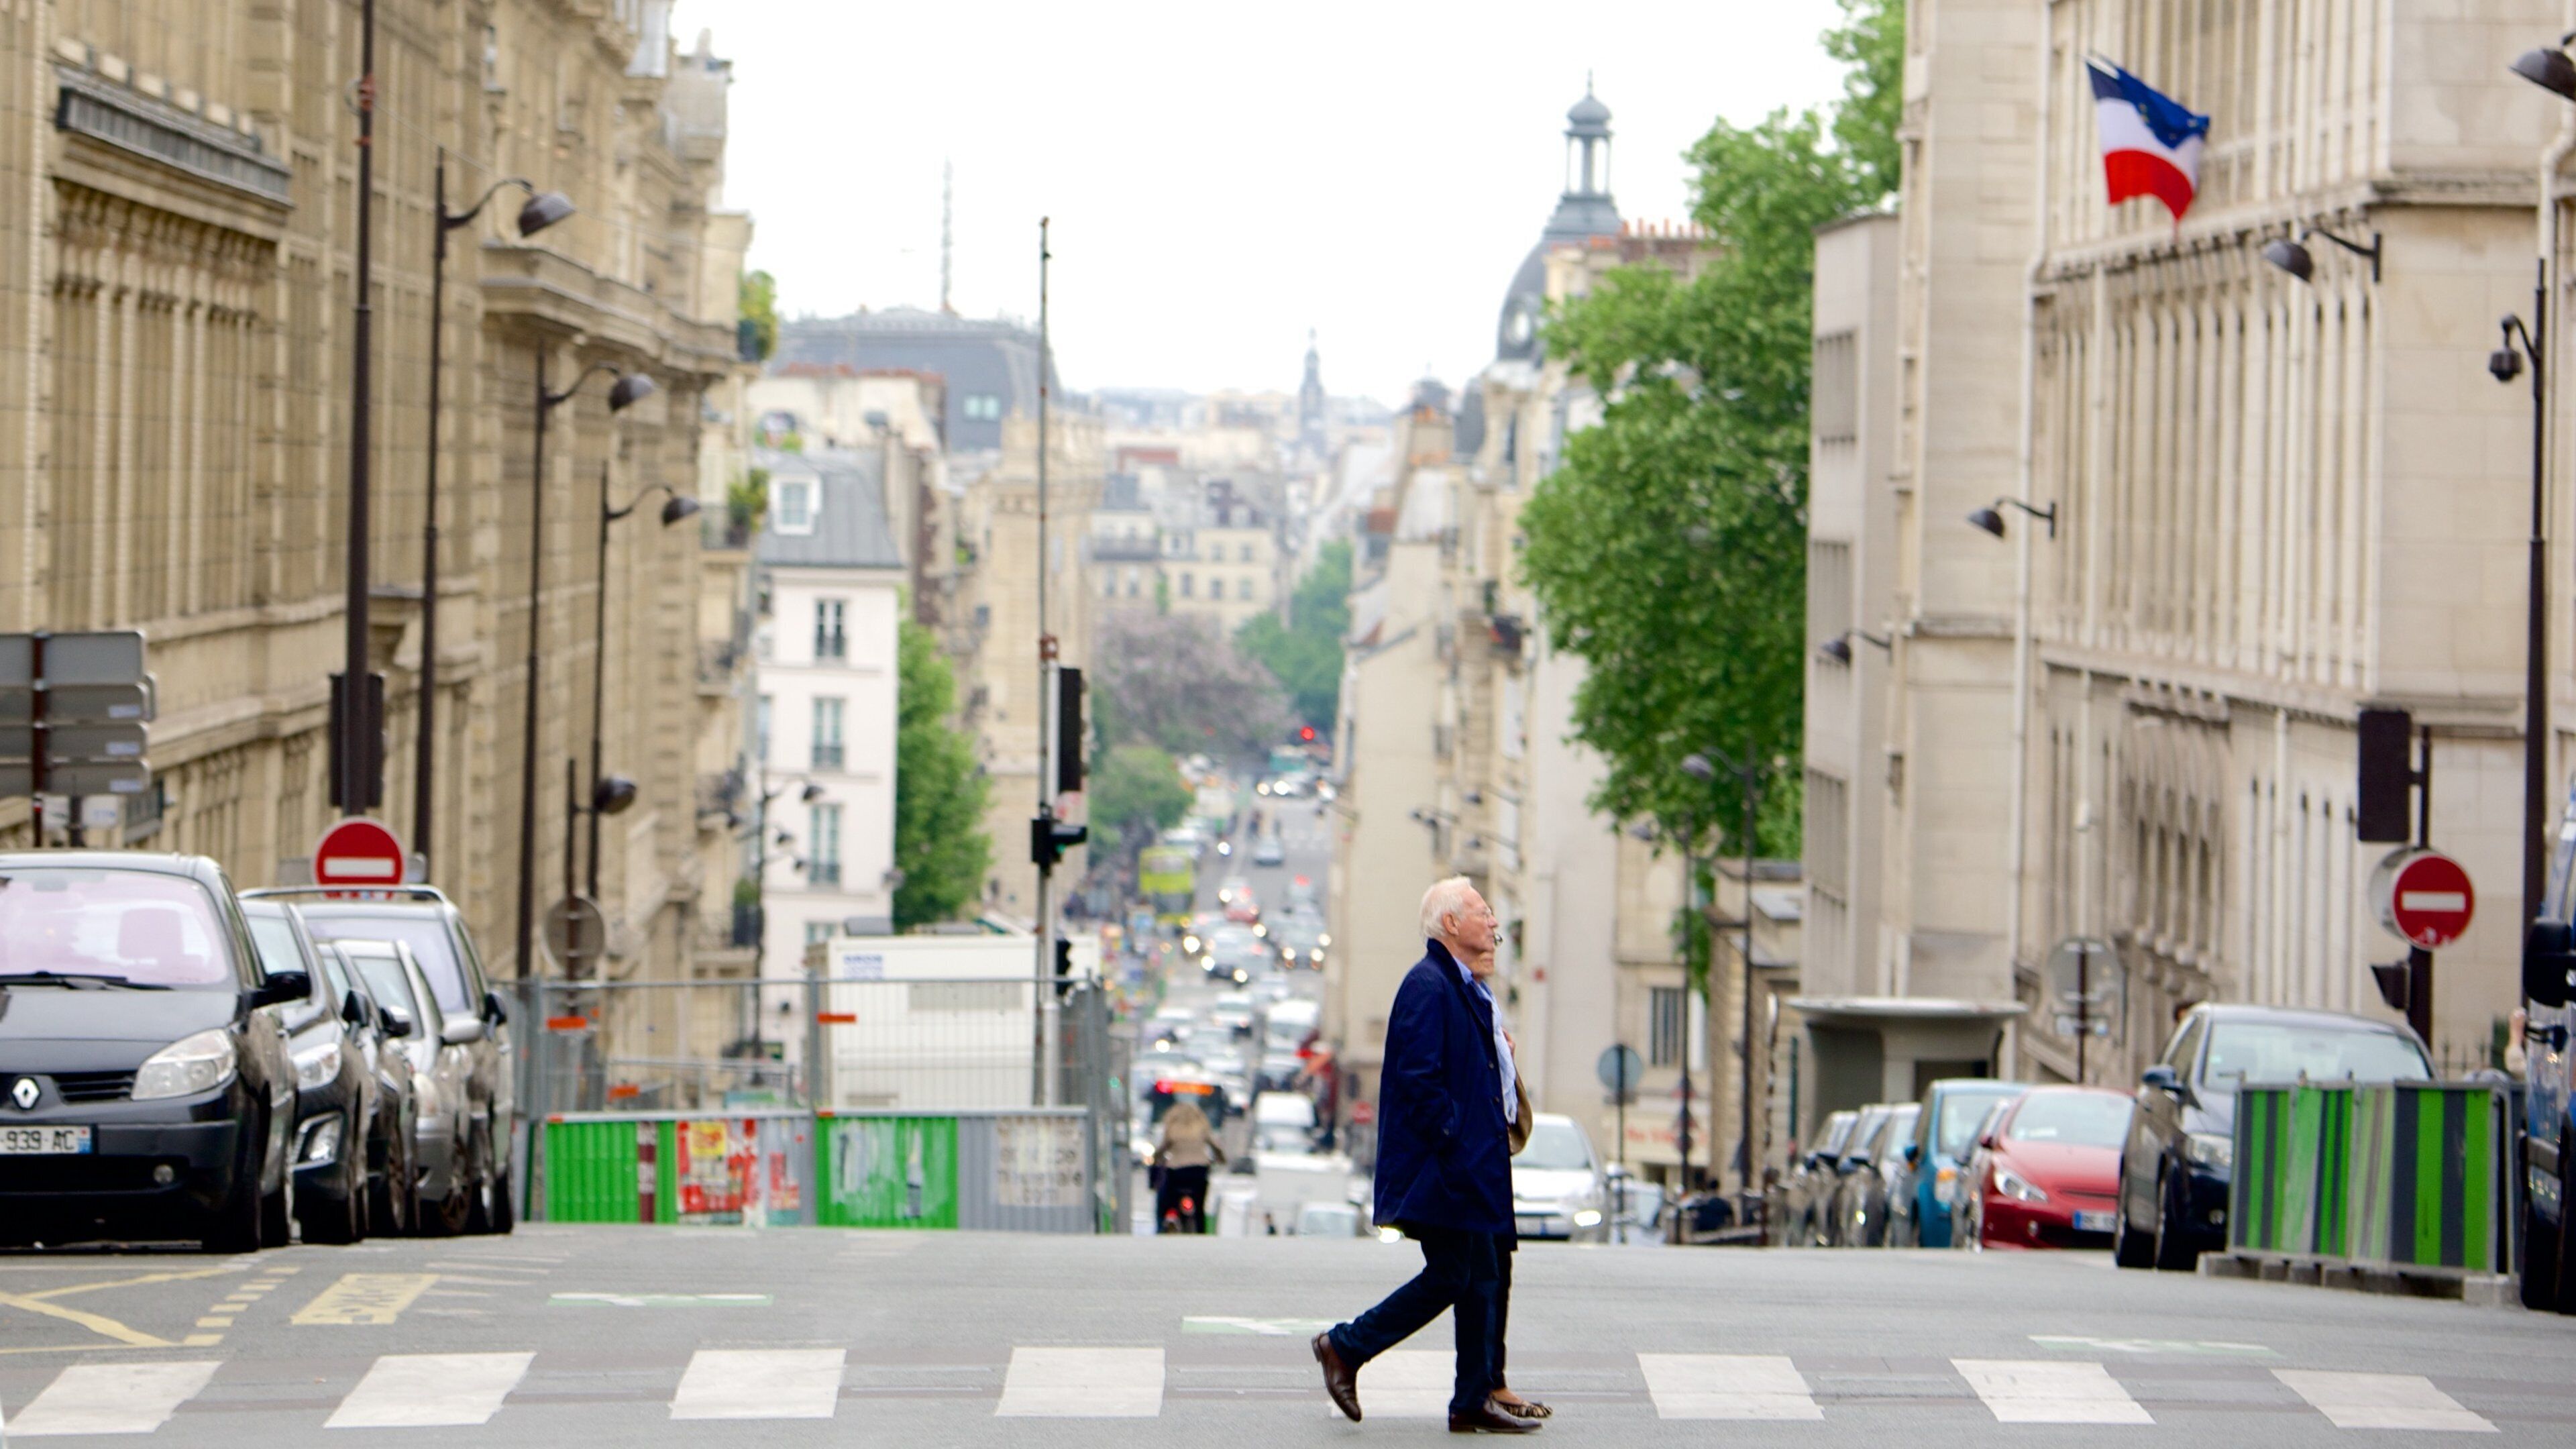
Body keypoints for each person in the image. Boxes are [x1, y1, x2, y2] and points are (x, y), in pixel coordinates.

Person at [1312, 877, 1537, 1434]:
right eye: (1483, 912)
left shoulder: (1464, 986)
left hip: (1472, 1164)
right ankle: (1344, 1346)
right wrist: (1457, 1145)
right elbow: (1420, 1081)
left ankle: (1474, 1395)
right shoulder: (1427, 985)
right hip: (1446, 1168)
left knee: (1485, 1272)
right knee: (1453, 1275)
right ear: (1451, 925)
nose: (1493, 923)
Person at [1153, 1099, 1224, 1233]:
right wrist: (1221, 1159)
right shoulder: (1201, 1127)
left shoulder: (1173, 1128)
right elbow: (1216, 1148)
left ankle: (1165, 1223)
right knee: (1199, 1207)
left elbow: (1163, 1148)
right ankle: (1201, 1232)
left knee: (1165, 1201)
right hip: (1199, 1171)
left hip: (1177, 1172)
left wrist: (1157, 1158)